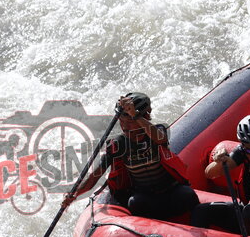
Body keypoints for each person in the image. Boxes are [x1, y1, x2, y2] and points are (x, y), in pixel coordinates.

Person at [61, 93, 198, 220]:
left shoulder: (158, 131)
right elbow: (95, 176)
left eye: (130, 122)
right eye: (122, 121)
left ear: (145, 118)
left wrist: (135, 115)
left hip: (171, 191)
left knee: (188, 194)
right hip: (145, 196)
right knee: (134, 202)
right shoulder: (118, 144)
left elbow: (161, 139)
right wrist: (74, 194)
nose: (124, 127)